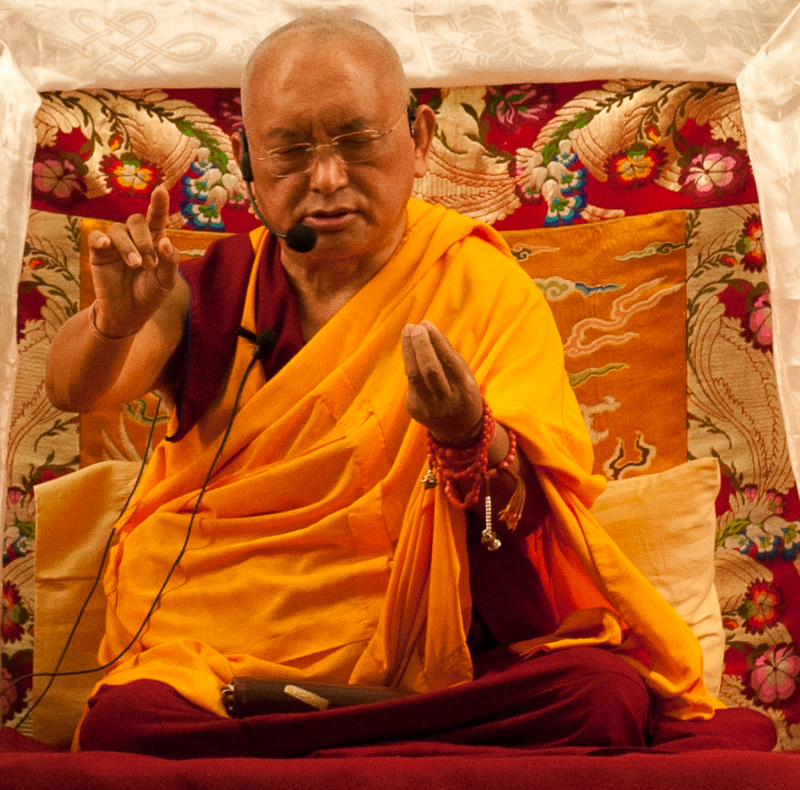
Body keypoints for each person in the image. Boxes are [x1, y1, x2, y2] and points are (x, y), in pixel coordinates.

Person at [45, 13, 727, 759]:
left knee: (600, 699)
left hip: (429, 656)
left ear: (420, 138)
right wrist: (113, 323)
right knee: (126, 727)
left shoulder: (478, 283)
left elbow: (531, 518)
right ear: (246, 161)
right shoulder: (210, 289)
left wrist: (472, 437)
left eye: (357, 141)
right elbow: (73, 390)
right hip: (221, 658)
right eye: (290, 151)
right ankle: (387, 731)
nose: (327, 178)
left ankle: (321, 728)